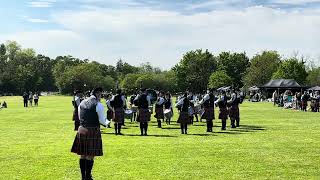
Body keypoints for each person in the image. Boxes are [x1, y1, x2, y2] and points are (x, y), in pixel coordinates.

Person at [71, 87, 108, 180]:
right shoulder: (98, 104)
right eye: (101, 94)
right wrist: (107, 122)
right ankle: (88, 176)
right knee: (90, 155)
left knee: (83, 154)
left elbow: (80, 117)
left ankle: (83, 177)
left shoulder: (82, 102)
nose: (101, 96)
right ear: (98, 94)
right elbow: (102, 120)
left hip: (82, 129)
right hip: (92, 130)